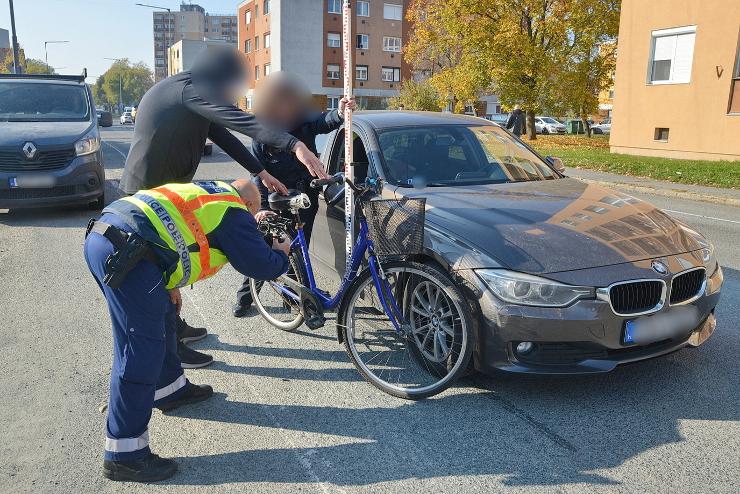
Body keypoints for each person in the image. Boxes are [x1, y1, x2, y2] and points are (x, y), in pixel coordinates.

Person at [119, 46, 328, 368]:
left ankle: (176, 328)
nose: (232, 92)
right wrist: (293, 143)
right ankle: (171, 346)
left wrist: (261, 171)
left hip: (162, 190)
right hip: (147, 193)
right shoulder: (189, 91)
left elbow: (224, 135)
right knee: (158, 266)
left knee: (167, 262)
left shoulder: (187, 91)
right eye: (232, 84)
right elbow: (241, 121)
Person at [85, 179, 290, 482]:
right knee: (140, 350)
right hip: (129, 256)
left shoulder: (211, 192)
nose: (253, 219)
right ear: (248, 205)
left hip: (113, 237)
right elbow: (261, 266)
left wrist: (170, 283)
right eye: (255, 212)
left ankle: (169, 391)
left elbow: (173, 231)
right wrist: (281, 252)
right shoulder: (233, 213)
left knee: (164, 319)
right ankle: (124, 456)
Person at [232, 73, 355, 317]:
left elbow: (324, 121)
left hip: (304, 197)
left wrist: (340, 112)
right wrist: (262, 208)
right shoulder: (261, 131)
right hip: (275, 199)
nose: (286, 108)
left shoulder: (303, 120)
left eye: (289, 102)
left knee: (298, 248)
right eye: (280, 102)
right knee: (264, 246)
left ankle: (293, 295)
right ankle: (245, 297)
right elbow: (258, 174)